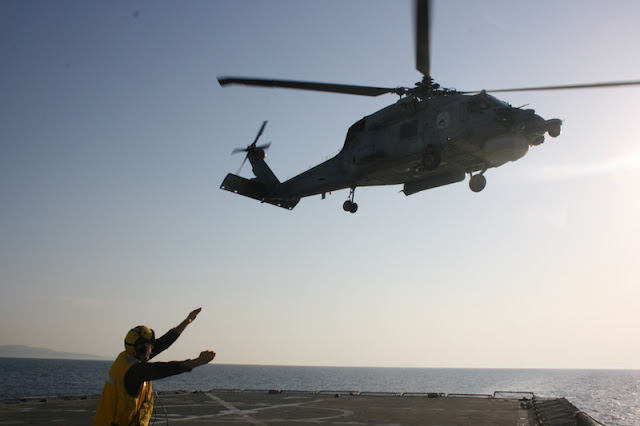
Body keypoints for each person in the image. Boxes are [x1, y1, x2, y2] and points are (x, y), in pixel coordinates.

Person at [93, 307, 215, 426]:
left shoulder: (125, 358)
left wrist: (187, 320)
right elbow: (166, 369)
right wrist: (198, 361)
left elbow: (163, 343)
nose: (153, 349)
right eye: (150, 345)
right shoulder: (134, 371)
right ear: (144, 348)